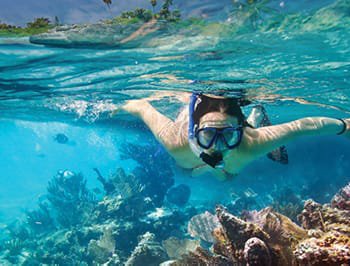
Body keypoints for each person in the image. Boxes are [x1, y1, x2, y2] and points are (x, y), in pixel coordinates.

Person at [119, 92, 350, 180]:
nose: (217, 146)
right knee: (185, 171)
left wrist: (345, 126)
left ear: (240, 132)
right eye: (208, 134)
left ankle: (255, 117)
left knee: (228, 176)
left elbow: (303, 126)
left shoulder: (251, 143)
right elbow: (141, 106)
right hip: (191, 152)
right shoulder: (175, 140)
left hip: (241, 136)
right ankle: (254, 116)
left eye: (228, 136)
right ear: (194, 131)